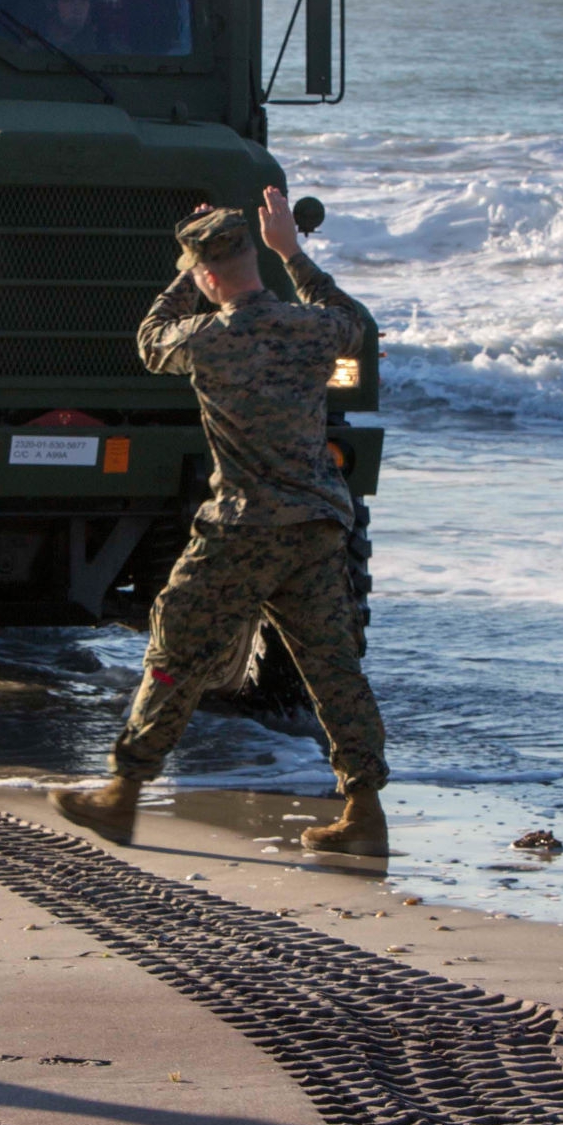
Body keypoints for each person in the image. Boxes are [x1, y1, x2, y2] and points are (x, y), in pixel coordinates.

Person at [52, 188, 391, 855]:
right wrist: (291, 251)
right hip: (318, 525)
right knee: (333, 668)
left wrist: (189, 267)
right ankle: (365, 813)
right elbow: (353, 319)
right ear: (255, 262)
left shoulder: (208, 339)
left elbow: (150, 342)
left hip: (241, 530)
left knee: (175, 649)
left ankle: (122, 794)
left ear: (208, 276)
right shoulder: (312, 328)